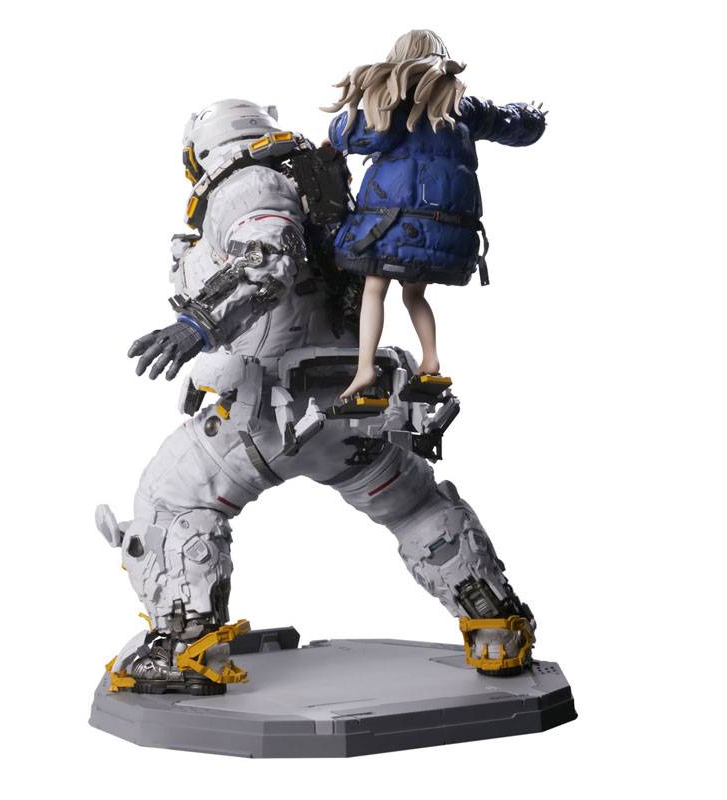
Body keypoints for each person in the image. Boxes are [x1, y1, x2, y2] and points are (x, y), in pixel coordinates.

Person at [97, 99, 536, 696]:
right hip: (354, 411)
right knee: (415, 509)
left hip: (265, 419)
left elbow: (267, 258)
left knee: (171, 502)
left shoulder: (248, 185)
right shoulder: (317, 187)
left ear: (201, 152)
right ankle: (497, 626)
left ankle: (184, 646)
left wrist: (197, 323)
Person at [323, 29, 547, 400]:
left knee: (374, 288)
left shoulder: (390, 107)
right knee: (414, 294)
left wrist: (335, 133)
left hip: (393, 225)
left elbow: (358, 136)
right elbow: (509, 122)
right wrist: (533, 117)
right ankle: (431, 360)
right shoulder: (462, 108)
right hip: (447, 234)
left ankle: (365, 369)